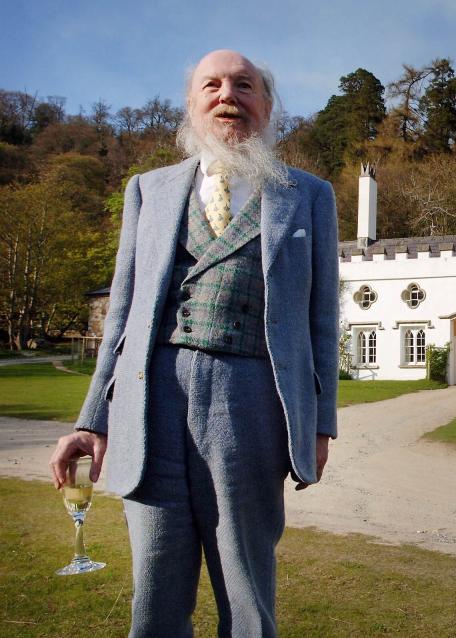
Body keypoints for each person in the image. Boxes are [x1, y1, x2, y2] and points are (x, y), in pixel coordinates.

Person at [49, 49, 339, 637]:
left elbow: (320, 321)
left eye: (244, 85)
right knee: (156, 587)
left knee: (245, 580)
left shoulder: (308, 195)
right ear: (191, 105)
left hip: (253, 401)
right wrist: (91, 420)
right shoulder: (147, 191)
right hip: (150, 404)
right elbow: (123, 315)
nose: (227, 94)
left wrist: (320, 421)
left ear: (267, 105)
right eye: (212, 84)